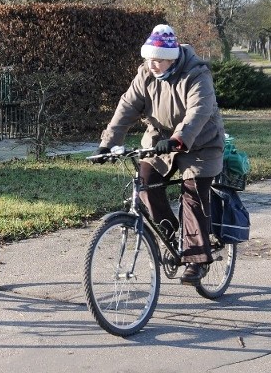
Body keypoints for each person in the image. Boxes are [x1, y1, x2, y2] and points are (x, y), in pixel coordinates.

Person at [93, 24, 225, 284]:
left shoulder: (196, 74)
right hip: (159, 140)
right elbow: (127, 107)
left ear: (172, 58)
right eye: (149, 59)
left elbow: (198, 111)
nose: (152, 65)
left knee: (193, 194)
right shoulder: (145, 75)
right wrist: (107, 143)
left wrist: (178, 138)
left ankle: (196, 260)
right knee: (146, 184)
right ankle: (172, 235)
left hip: (200, 143)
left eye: (159, 60)